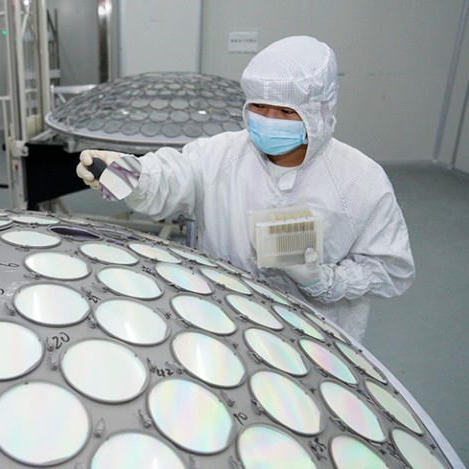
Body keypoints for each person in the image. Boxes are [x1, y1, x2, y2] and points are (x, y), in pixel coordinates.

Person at [76, 36, 414, 342]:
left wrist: (324, 281)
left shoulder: (360, 180)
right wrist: (130, 174)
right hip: (224, 325)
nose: (268, 118)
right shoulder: (220, 155)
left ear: (319, 111)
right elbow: (172, 175)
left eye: (285, 110)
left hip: (316, 340)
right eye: (259, 106)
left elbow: (392, 269)